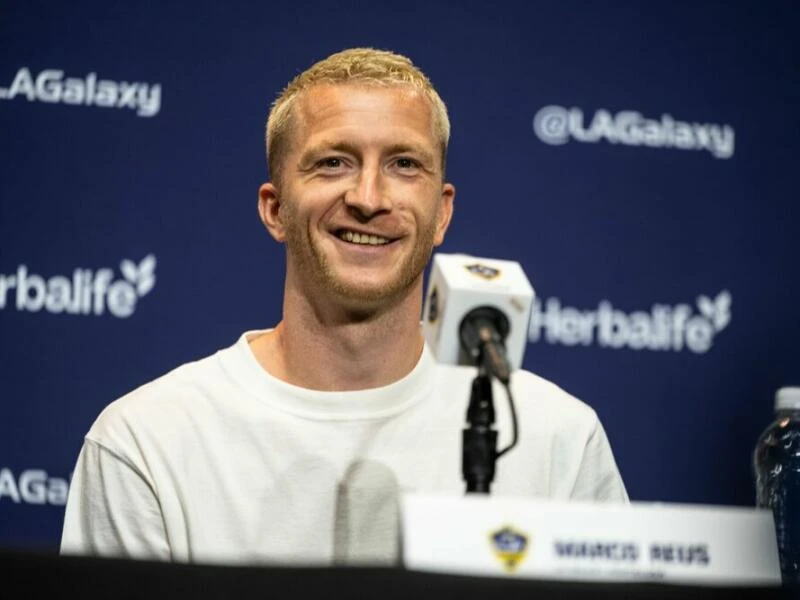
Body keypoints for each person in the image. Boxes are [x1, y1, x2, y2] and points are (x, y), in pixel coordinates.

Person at [60, 48, 627, 565]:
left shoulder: (558, 440)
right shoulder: (146, 442)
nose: (369, 198)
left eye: (405, 164)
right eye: (333, 162)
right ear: (275, 209)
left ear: (443, 213)